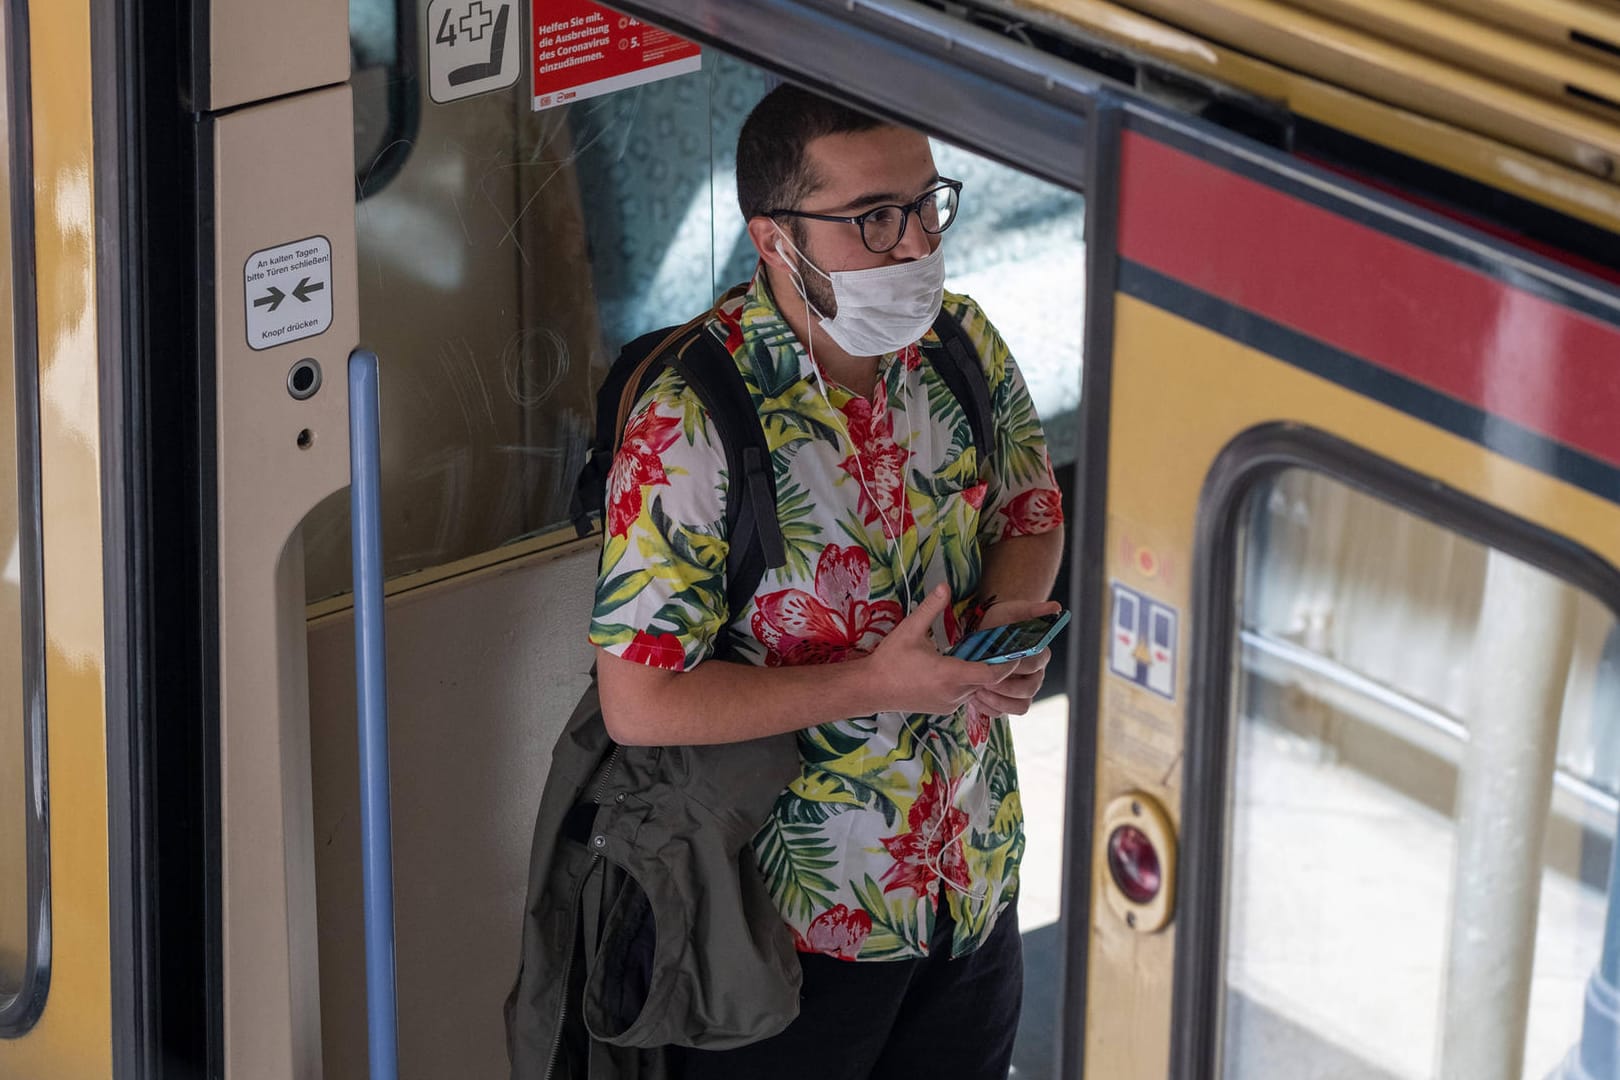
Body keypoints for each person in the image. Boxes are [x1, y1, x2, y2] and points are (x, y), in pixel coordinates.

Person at [588, 83, 1066, 1079]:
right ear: (774, 241)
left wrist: (1005, 625)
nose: (913, 246)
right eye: (872, 219)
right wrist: (874, 684)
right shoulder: (692, 421)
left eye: (926, 205)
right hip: (790, 927)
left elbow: (1029, 509)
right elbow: (639, 699)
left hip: (969, 884)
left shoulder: (962, 346)